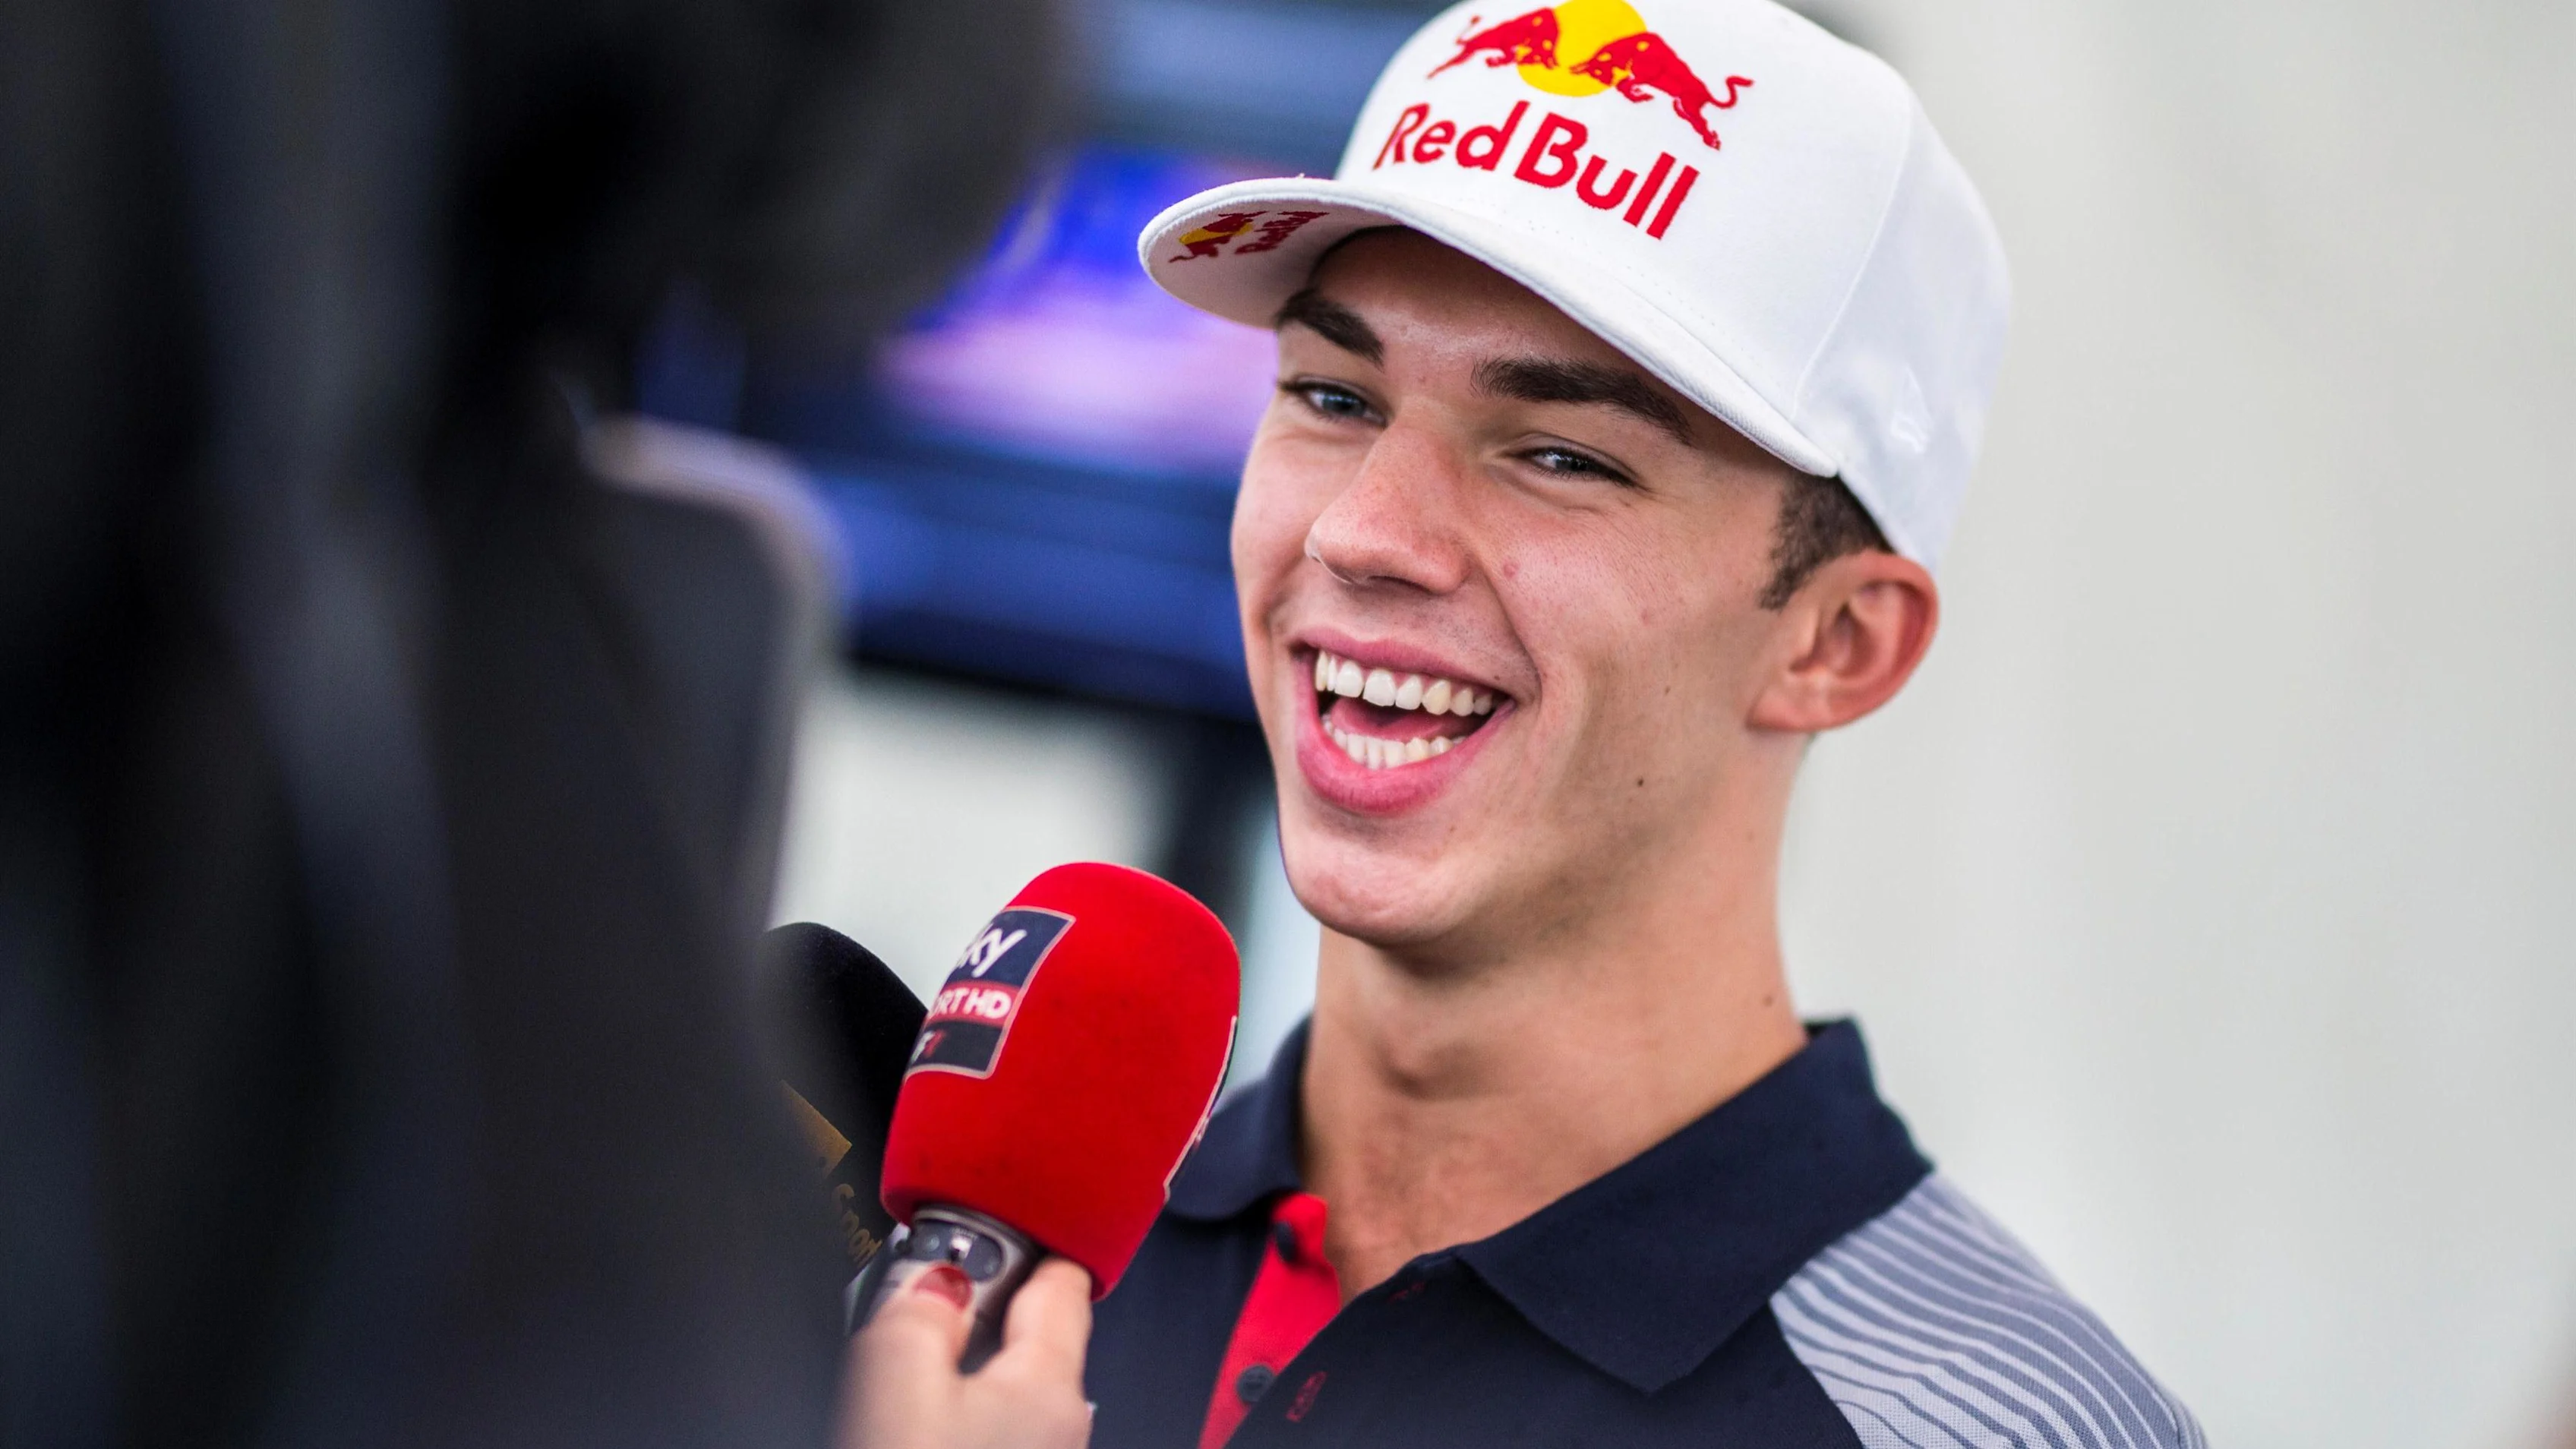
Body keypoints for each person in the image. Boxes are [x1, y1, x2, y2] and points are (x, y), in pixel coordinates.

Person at [1063, 2, 2208, 1446]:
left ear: (1837, 644)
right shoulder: (988, 1253)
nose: (1363, 531)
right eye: (1334, 396)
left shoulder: (1979, 1425)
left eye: (1560, 456)